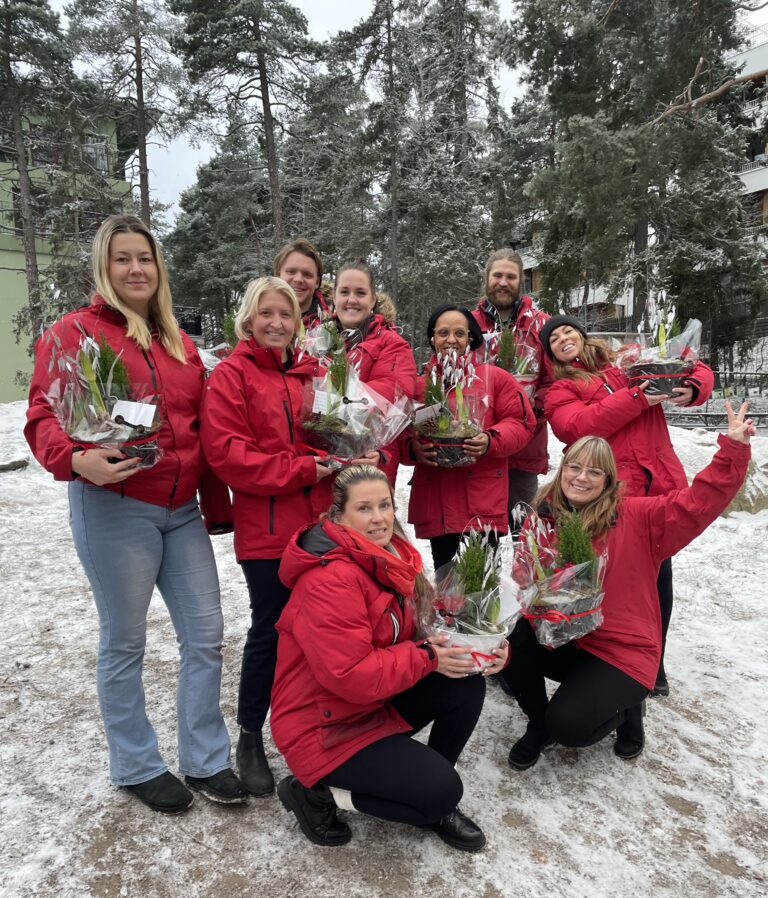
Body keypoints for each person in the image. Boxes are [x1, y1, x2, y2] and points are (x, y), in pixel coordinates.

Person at [24, 213, 244, 814]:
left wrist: (217, 506)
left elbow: (203, 430)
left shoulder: (178, 341)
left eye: (144, 258)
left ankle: (204, 758)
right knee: (124, 642)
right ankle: (137, 763)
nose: (135, 269)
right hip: (115, 506)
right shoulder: (73, 334)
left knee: (205, 637)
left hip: (181, 511)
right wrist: (74, 460)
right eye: (122, 259)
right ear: (104, 266)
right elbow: (42, 416)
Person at [502, 407, 754, 770]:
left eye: (594, 471)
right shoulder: (543, 515)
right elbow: (525, 575)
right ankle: (539, 722)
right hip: (564, 636)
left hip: (621, 649)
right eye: (574, 467)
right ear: (563, 470)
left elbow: (699, 502)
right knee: (508, 635)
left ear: (608, 479)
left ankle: (628, 709)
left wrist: (732, 450)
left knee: (570, 727)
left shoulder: (639, 517)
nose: (581, 477)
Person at [271, 465, 508, 850]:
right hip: (326, 725)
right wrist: (428, 657)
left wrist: (489, 644)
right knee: (442, 792)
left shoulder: (394, 557)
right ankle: (315, 793)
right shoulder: (330, 579)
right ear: (339, 515)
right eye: (364, 509)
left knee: (466, 682)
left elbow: (435, 622)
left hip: (372, 703)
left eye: (384, 505)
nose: (379, 518)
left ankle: (422, 792)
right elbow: (349, 675)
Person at [200, 276, 342, 797]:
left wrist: (350, 448)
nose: (277, 323)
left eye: (286, 314)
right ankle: (250, 735)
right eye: (267, 314)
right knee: (271, 629)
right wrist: (305, 468)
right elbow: (229, 457)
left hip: (323, 526)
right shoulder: (231, 376)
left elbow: (333, 432)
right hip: (268, 532)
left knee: (323, 628)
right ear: (248, 319)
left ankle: (316, 724)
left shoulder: (313, 373)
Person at [541, 314, 715, 697]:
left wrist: (692, 387)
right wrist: (637, 396)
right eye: (553, 338)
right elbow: (580, 426)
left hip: (659, 480)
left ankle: (655, 662)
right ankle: (607, 657)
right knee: (614, 579)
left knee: (661, 576)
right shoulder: (559, 390)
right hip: (611, 493)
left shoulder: (625, 359)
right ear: (551, 353)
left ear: (582, 334)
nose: (563, 338)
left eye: (568, 330)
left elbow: (691, 363)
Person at [406, 304, 536, 570]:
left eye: (459, 333)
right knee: (447, 583)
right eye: (443, 332)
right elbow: (400, 433)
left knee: (483, 588)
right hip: (437, 501)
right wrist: (413, 449)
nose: (451, 339)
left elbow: (522, 423)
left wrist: (490, 440)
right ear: (432, 338)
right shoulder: (421, 386)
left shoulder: (495, 379)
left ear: (471, 339)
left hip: (481, 501)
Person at [471, 248, 552, 516]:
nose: (503, 282)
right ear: (487, 278)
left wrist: (531, 407)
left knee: (524, 536)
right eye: (497, 275)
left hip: (525, 449)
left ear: (520, 281)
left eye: (510, 276)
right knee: (480, 536)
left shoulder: (541, 325)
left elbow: (554, 382)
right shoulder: (467, 324)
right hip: (478, 447)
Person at [332, 260, 418, 484]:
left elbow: (393, 395)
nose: (352, 300)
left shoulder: (393, 344)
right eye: (344, 292)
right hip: (322, 474)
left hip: (370, 471)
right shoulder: (318, 342)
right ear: (334, 297)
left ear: (372, 300)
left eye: (360, 293)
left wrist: (332, 402)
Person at [274, 237, 330, 330]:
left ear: (317, 282)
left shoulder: (332, 328)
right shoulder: (256, 321)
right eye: (291, 272)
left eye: (307, 274)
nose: (298, 279)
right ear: (278, 275)